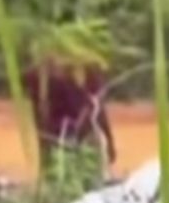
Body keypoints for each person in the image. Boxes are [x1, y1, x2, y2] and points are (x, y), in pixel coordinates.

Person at [21, 57, 116, 190]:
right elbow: (98, 110)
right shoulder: (40, 76)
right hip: (63, 134)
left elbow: (97, 109)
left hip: (73, 134)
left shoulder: (88, 69)